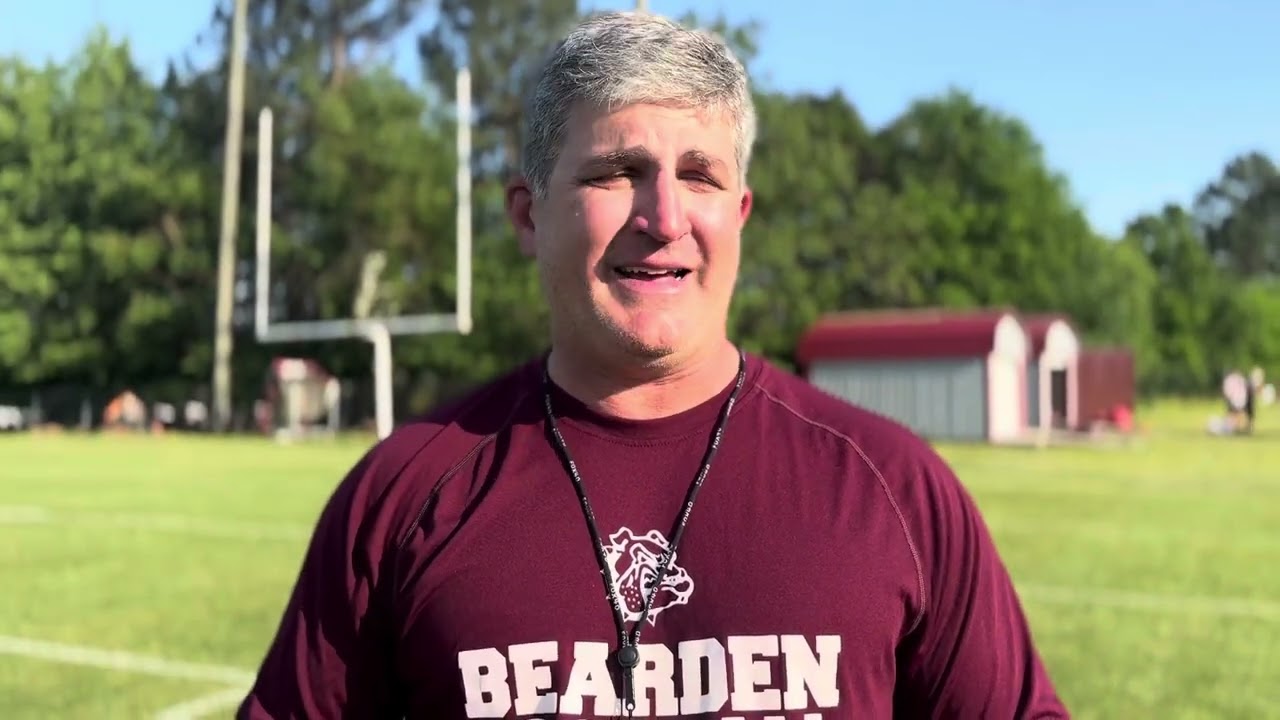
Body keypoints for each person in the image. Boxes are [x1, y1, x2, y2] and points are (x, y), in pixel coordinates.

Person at [238, 11, 1069, 719]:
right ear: (529, 217)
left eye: (699, 176)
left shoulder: (894, 490)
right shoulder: (403, 498)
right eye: (616, 173)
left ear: (739, 215)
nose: (665, 216)